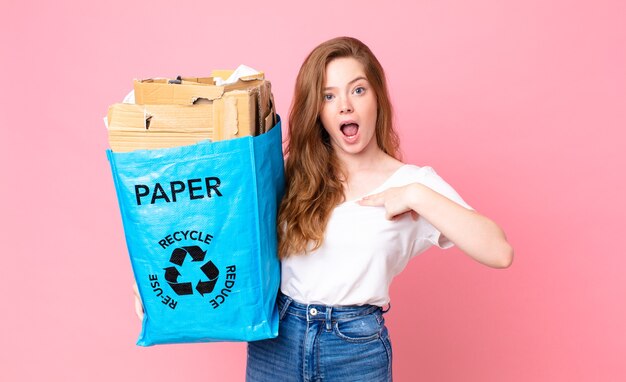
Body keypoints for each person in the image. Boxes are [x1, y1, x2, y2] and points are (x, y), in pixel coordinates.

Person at [134, 36, 513, 381]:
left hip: (355, 349)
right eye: (329, 96)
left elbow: (499, 251)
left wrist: (415, 195)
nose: (345, 105)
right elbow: (223, 232)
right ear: (318, 111)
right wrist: (154, 285)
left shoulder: (413, 183)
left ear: (377, 97)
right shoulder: (294, 175)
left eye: (358, 90)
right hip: (278, 340)